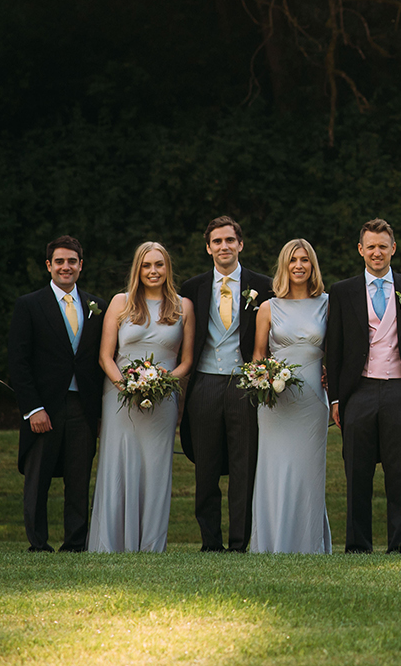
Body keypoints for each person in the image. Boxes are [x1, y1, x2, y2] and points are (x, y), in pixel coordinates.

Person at [325, 218, 401, 553]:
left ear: (393, 248)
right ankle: (358, 545)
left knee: (399, 474)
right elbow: (335, 347)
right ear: (360, 250)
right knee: (357, 473)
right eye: (370, 246)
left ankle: (400, 546)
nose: (377, 252)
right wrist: (337, 399)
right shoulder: (343, 291)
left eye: (383, 246)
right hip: (360, 391)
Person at [89, 242, 195, 552]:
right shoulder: (120, 302)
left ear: (167, 268)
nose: (153, 271)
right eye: (147, 265)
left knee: (155, 466)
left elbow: (186, 361)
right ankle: (112, 542)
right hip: (120, 397)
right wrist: (128, 387)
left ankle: (150, 544)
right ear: (138, 269)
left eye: (159, 265)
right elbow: (105, 356)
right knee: (119, 463)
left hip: (163, 399)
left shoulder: (183, 306)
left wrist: (160, 383)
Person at [178, 216, 273, 552]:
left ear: (240, 244)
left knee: (243, 466)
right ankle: (210, 542)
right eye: (217, 242)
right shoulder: (193, 288)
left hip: (245, 385)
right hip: (204, 383)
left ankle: (238, 541)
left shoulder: (263, 285)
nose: (224, 247)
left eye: (229, 240)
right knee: (205, 467)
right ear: (208, 248)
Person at [7, 235, 106, 552]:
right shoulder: (29, 305)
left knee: (79, 478)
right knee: (39, 478)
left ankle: (75, 543)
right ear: (48, 265)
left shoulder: (96, 306)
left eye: (72, 261)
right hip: (45, 405)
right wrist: (33, 408)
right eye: (59, 261)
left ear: (81, 265)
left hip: (83, 406)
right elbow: (18, 362)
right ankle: (38, 543)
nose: (66, 267)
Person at [248, 238, 332, 554]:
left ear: (312, 266)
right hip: (275, 404)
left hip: (312, 402)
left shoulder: (327, 303)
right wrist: (266, 380)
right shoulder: (269, 307)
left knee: (308, 472)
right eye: (293, 260)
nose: (299, 265)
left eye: (305, 260)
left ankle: (309, 544)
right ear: (284, 266)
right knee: (274, 470)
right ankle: (271, 542)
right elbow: (258, 355)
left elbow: (335, 350)